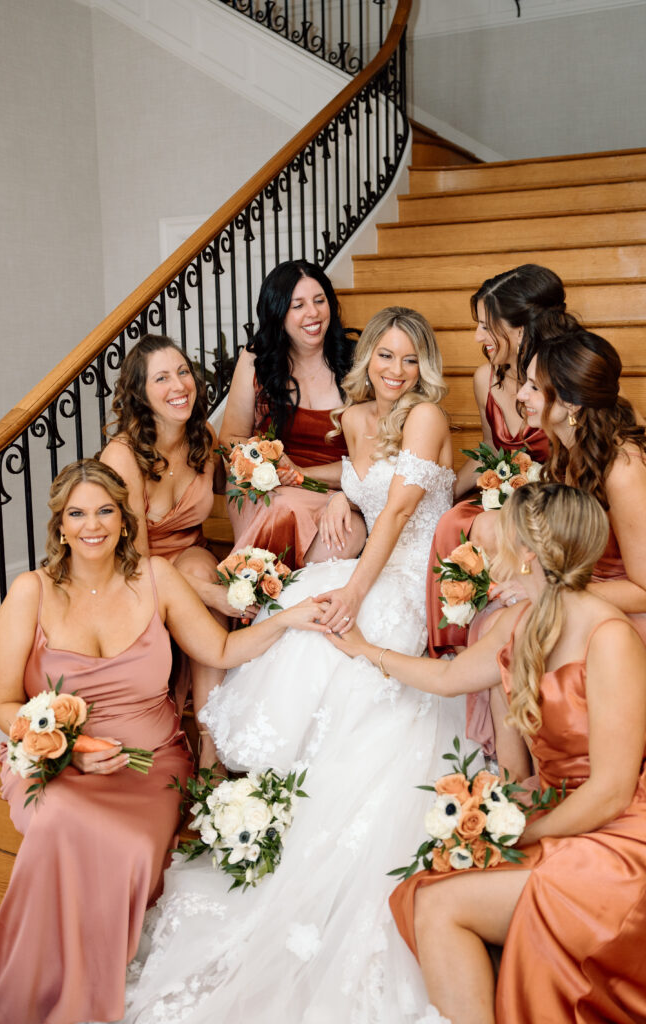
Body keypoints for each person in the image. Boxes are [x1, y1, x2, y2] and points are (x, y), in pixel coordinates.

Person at [121, 307, 478, 1024]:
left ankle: (329, 825)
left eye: (409, 360)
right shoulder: (353, 417)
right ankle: (272, 802)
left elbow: (401, 516)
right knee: (299, 619)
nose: (395, 371)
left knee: (340, 628)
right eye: (385, 356)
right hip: (364, 563)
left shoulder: (425, 416)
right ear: (367, 358)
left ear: (423, 368)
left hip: (404, 576)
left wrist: (353, 587)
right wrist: (326, 490)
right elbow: (347, 477)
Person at [331, 483, 646, 1024]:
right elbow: (449, 676)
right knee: (424, 891)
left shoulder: (610, 639)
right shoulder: (522, 625)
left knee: (440, 904)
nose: (491, 549)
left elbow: (613, 790)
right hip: (562, 817)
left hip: (627, 844)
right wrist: (364, 650)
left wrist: (523, 834)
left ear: (529, 555)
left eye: (504, 537)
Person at [0, 459, 324, 1024]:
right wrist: (70, 748)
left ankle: (81, 993)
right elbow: (2, 703)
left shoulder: (156, 577)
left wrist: (287, 618)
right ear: (60, 525)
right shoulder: (32, 591)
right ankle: (29, 991)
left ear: (125, 520)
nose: (91, 524)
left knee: (127, 847)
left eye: (105, 511)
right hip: (53, 760)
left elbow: (218, 653)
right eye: (77, 514)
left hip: (149, 765)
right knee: (55, 823)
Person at [427, 265, 646, 659]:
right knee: (491, 614)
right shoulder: (565, 449)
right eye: (522, 384)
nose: (521, 395)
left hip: (645, 595)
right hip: (575, 552)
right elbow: (492, 456)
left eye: (486, 326)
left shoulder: (614, 452)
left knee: (517, 639)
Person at [101, 333, 242, 766]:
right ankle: (197, 738)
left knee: (203, 570)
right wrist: (220, 595)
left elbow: (232, 483)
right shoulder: (123, 456)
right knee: (208, 590)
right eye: (161, 378)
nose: (178, 385)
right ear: (140, 393)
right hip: (132, 570)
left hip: (187, 553)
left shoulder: (202, 435)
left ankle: (211, 744)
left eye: (183, 372)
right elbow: (139, 563)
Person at [515, 327, 646, 683]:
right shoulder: (570, 448)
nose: (520, 395)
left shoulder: (623, 469)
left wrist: (549, 589)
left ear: (572, 402)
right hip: (597, 587)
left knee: (539, 647)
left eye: (532, 386)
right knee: (501, 626)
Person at [219, 259, 366, 567]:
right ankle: (256, 590)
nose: (312, 313)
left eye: (319, 300)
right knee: (280, 505)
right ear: (278, 313)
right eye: (297, 305)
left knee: (344, 532)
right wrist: (263, 467)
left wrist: (299, 475)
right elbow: (231, 438)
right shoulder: (255, 359)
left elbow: (373, 460)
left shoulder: (358, 362)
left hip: (337, 488)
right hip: (270, 487)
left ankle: (258, 591)